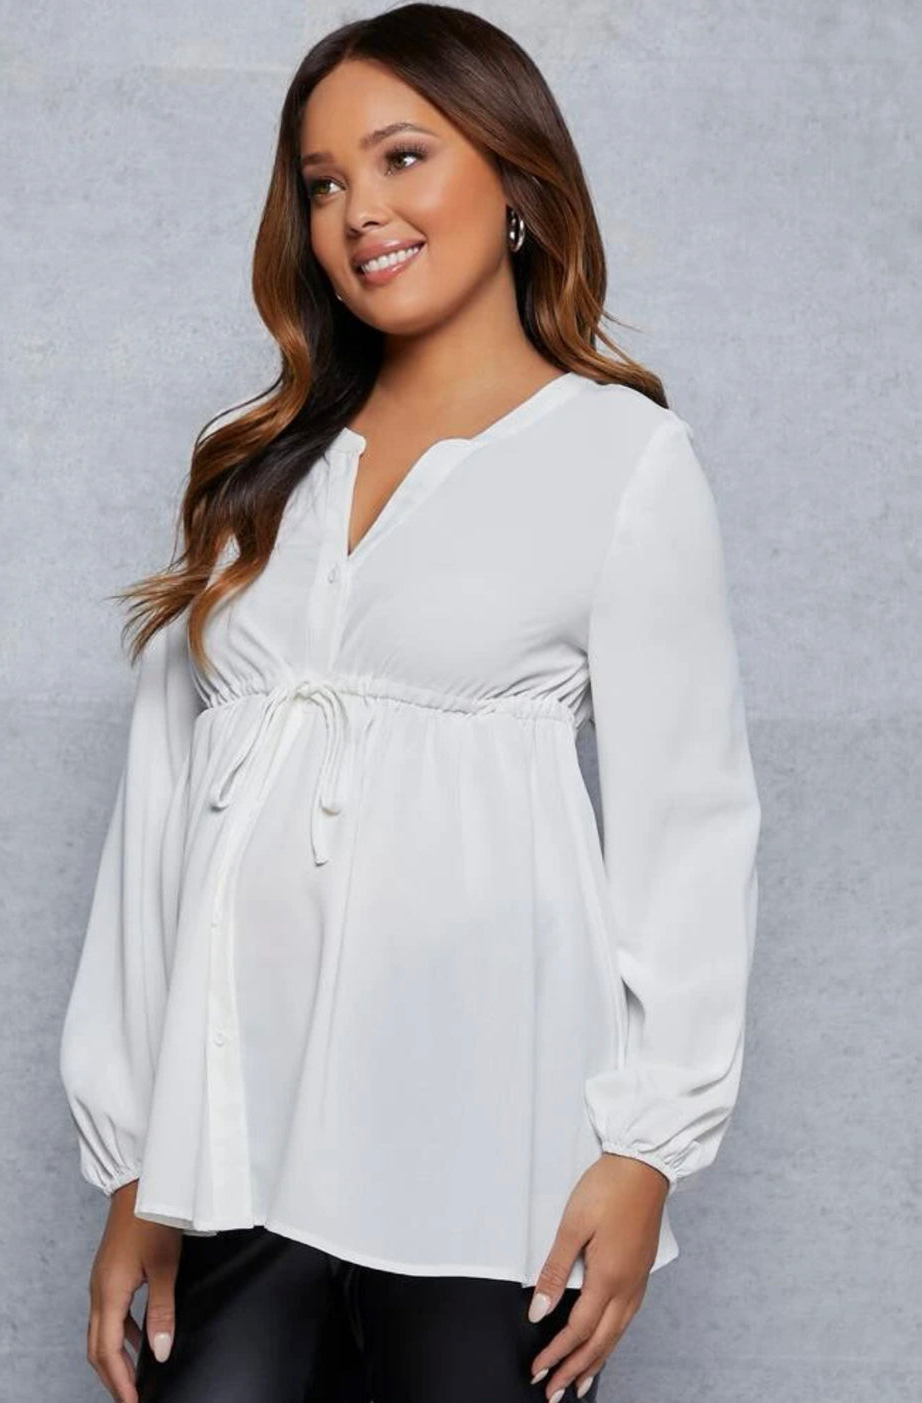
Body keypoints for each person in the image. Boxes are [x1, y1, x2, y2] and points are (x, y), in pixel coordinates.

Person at [58, 6, 762, 1403]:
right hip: (235, 1150)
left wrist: (647, 1152)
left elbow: (691, 828)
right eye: (322, 184)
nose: (357, 214)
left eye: (400, 158)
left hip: (491, 1155)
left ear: (515, 176)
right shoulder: (252, 466)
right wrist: (137, 1160)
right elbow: (157, 829)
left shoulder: (621, 459)